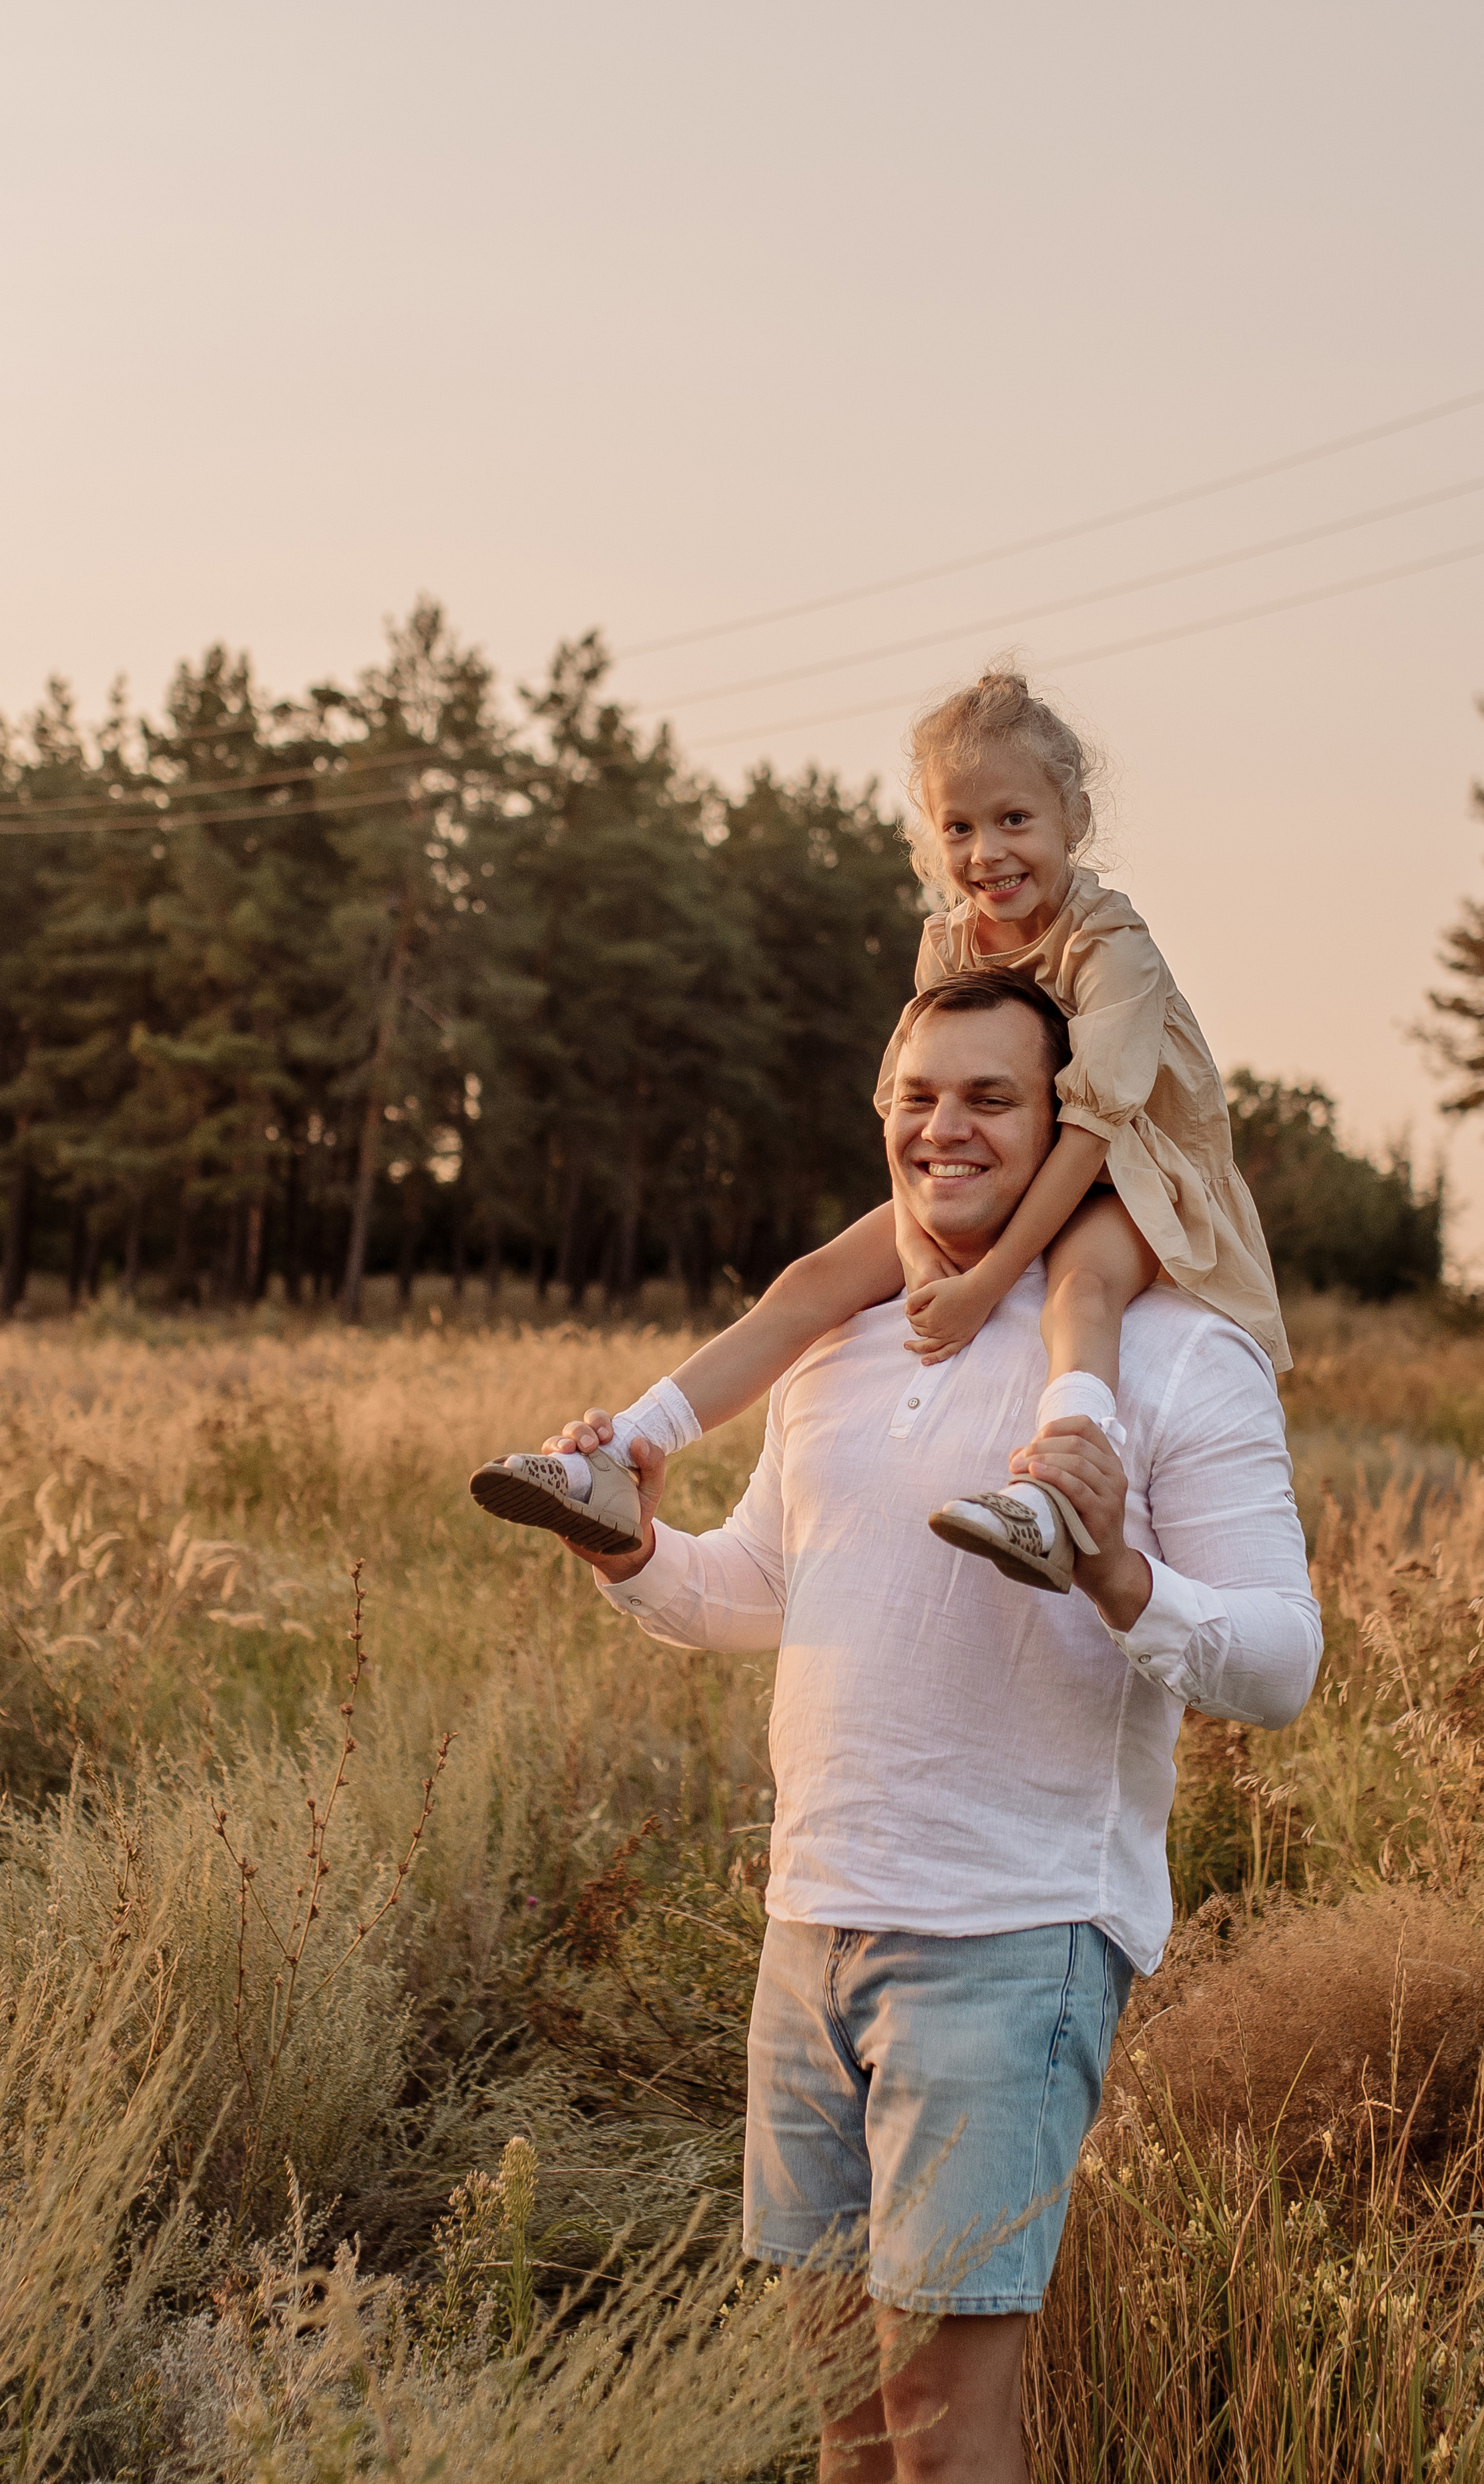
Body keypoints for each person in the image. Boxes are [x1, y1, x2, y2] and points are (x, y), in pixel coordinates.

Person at [539, 974, 1321, 2483]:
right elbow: (766, 1589)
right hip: (807, 1928)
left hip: (1011, 1937)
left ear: (1064, 1127)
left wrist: (1111, 1573)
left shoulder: (1165, 1356)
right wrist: (633, 1550)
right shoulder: (835, 1347)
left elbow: (1279, 1666)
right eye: (917, 1096)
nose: (942, 1128)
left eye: (987, 1099)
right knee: (840, 2425)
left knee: (944, 2440)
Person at [471, 668, 1289, 1596]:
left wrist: (982, 1282)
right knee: (812, 1282)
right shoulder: (947, 942)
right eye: (959, 827)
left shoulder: (1112, 948)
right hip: (995, 1163)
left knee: (1082, 1288)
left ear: (1075, 817)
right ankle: (623, 1453)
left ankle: (1055, 1495)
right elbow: (910, 1100)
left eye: (1015, 820)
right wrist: (916, 1240)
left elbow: (1096, 1127)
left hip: (1124, 1169)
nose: (987, 851)